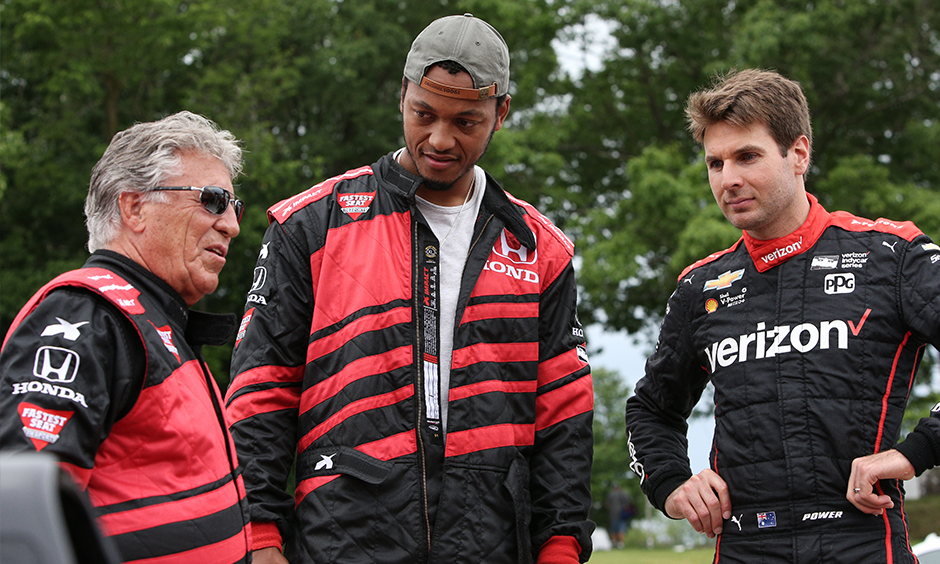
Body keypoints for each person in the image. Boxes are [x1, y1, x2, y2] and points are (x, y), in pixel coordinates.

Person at [224, 13, 594, 564]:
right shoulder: (310, 224)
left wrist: (562, 545)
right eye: (424, 114)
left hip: (491, 539)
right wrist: (259, 535)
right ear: (401, 96)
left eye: (466, 122)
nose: (440, 139)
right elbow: (261, 388)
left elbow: (564, 412)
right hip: (342, 537)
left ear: (502, 113)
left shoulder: (540, 247)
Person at [624, 68, 940, 562]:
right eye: (715, 163)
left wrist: (915, 451)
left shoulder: (891, 254)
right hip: (747, 545)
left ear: (799, 153)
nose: (729, 179)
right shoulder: (700, 286)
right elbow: (650, 411)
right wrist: (671, 483)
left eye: (747, 156)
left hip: (863, 542)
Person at [0, 111, 251, 563]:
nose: (231, 224)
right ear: (134, 207)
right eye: (213, 201)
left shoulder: (152, 317)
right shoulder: (86, 314)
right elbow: (20, 519)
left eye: (235, 206)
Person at [604, 484, 635, 548]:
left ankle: (614, 543)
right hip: (622, 514)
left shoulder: (611, 495)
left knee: (613, 530)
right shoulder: (624, 494)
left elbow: (607, 504)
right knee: (622, 529)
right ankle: (620, 544)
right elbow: (629, 502)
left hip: (613, 514)